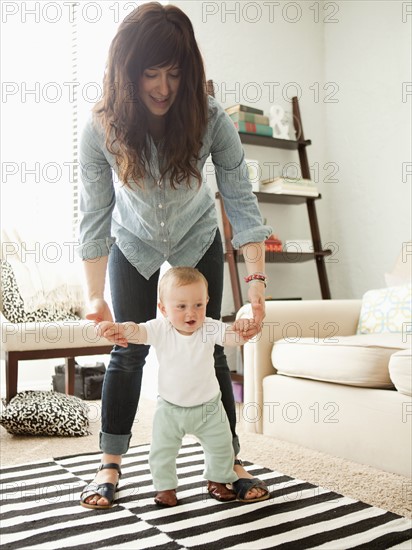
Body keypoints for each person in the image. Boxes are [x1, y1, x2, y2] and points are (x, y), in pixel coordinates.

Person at [77, 1, 272, 509]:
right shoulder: (100, 127)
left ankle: (228, 460)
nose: (163, 87)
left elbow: (240, 199)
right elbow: (95, 214)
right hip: (133, 243)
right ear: (127, 74)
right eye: (150, 74)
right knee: (129, 352)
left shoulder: (208, 117)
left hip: (196, 235)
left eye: (174, 73)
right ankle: (109, 464)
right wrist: (93, 295)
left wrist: (256, 288)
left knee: (208, 343)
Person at [92, 267, 269, 507]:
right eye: (181, 306)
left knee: (222, 447)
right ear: (163, 308)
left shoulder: (209, 327)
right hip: (170, 409)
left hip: (209, 408)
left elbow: (232, 337)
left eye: (198, 305)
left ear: (207, 301)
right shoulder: (160, 327)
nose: (191, 313)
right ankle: (165, 488)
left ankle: (217, 481)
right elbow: (138, 331)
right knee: (162, 453)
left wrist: (245, 330)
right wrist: (118, 328)